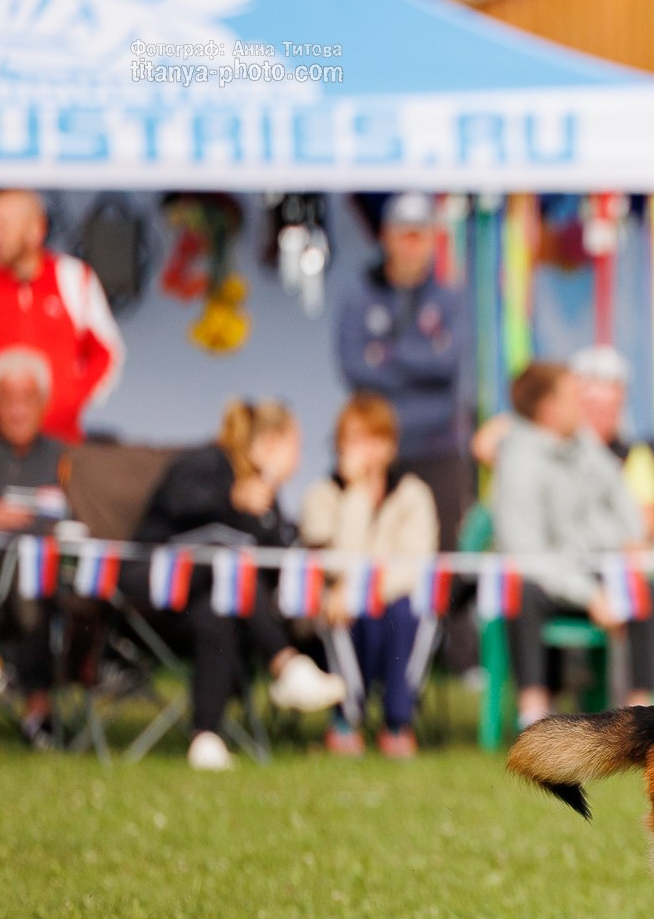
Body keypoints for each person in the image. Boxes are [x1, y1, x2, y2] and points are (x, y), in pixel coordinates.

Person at [133, 399, 347, 770]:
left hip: (205, 604)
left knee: (216, 613)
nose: (299, 458)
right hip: (155, 592)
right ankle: (286, 665)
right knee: (225, 561)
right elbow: (176, 502)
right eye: (295, 445)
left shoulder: (266, 495)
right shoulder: (208, 462)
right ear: (269, 442)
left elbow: (275, 560)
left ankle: (205, 737)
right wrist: (230, 499)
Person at [492, 362, 644, 729]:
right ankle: (533, 712)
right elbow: (529, 557)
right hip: (546, 579)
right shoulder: (517, 462)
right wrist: (590, 595)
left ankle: (642, 713)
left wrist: (633, 540)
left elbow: (620, 493)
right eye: (574, 396)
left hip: (594, 568)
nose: (584, 405)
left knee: (641, 585)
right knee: (523, 590)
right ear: (548, 408)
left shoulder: (584, 443)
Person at [300, 392, 439, 759]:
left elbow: (416, 564)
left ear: (391, 445)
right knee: (341, 613)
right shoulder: (322, 495)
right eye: (354, 439)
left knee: (407, 612)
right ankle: (346, 717)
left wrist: (365, 590)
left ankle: (398, 721)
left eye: (374, 438)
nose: (365, 450)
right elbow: (335, 563)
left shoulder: (413, 494)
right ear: (339, 445)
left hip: (395, 600)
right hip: (338, 607)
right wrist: (357, 495)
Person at [334, 192, 472, 551]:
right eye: (404, 234)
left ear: (432, 240)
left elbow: (447, 364)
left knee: (443, 556)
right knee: (368, 550)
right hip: (376, 449)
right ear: (386, 237)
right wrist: (421, 359)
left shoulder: (448, 298)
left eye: (420, 235)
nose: (412, 245)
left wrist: (387, 353)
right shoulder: (361, 297)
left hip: (436, 447)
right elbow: (355, 368)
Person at [568, 345, 654, 703]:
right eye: (591, 407)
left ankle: (640, 704)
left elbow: (645, 524)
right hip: (568, 561)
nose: (600, 417)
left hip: (613, 563)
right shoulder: (553, 449)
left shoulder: (634, 455)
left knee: (643, 590)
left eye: (609, 408)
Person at [0, 350, 68, 742]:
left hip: (47, 581)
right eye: (8, 399)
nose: (18, 411)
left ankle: (40, 710)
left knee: (33, 579)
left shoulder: (63, 456)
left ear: (45, 403)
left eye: (29, 399)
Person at [0, 189, 125, 442]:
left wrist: (73, 397)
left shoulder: (72, 277)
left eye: (2, 226)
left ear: (35, 229)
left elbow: (107, 350)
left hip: (60, 440)